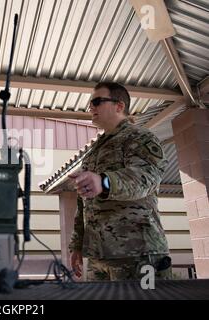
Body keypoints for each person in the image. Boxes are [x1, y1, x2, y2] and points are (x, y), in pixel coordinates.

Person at [68, 82, 172, 281]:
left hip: (139, 255)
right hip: (98, 257)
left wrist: (105, 182)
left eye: (97, 101)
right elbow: (83, 202)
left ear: (119, 106)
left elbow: (147, 177)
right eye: (91, 103)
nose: (91, 107)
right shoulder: (93, 152)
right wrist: (77, 245)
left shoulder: (139, 137)